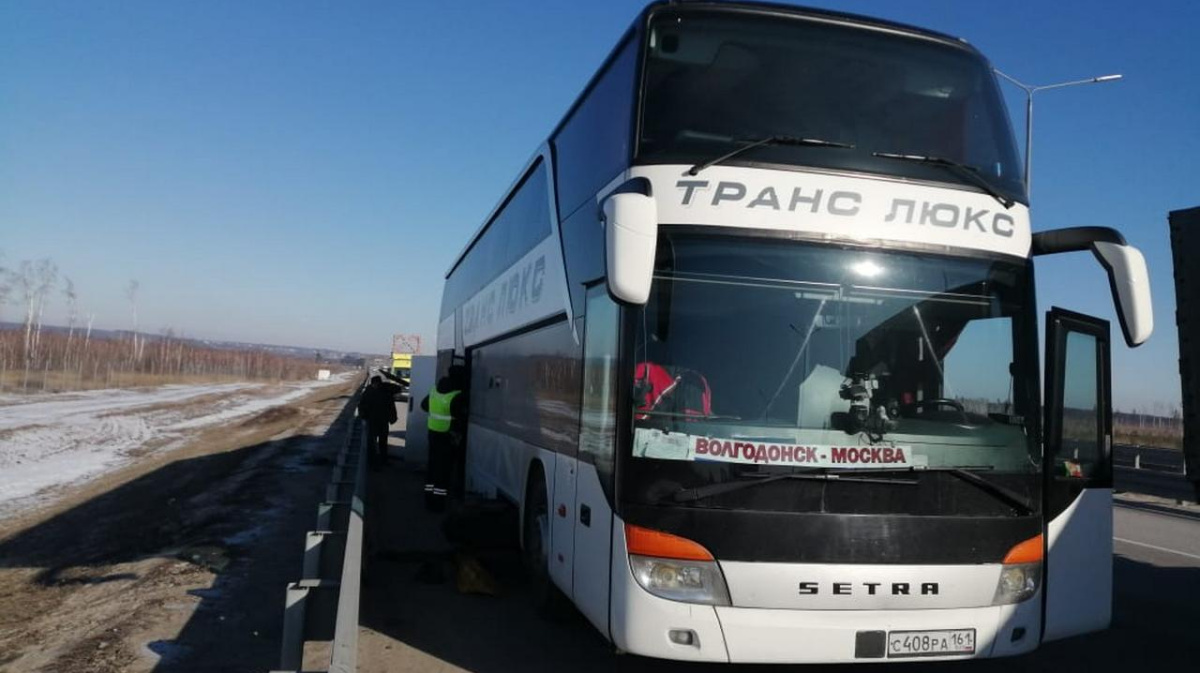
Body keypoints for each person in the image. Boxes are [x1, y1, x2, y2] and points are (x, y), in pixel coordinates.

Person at [420, 365, 468, 512]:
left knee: (433, 466)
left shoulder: (435, 390)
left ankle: (428, 498)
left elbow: (423, 405)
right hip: (447, 435)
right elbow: (461, 416)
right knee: (444, 471)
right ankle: (439, 503)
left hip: (433, 433)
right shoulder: (457, 395)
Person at [358, 375, 400, 467]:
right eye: (375, 384)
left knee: (382, 442)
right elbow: (361, 406)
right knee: (373, 443)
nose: (376, 385)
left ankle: (381, 461)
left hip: (381, 421)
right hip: (373, 421)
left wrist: (385, 385)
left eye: (378, 384)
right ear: (372, 384)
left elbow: (398, 389)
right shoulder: (370, 392)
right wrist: (364, 417)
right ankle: (374, 463)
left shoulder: (384, 390)